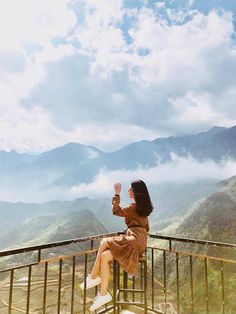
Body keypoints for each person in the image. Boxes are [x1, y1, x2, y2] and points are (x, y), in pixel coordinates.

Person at [80, 179, 153, 312]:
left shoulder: (133, 207)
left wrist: (117, 193)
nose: (129, 191)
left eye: (131, 189)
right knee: (105, 256)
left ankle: (93, 277)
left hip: (134, 239)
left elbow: (116, 211)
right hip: (139, 241)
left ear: (136, 192)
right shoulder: (143, 209)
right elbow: (146, 228)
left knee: (104, 242)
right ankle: (103, 294)